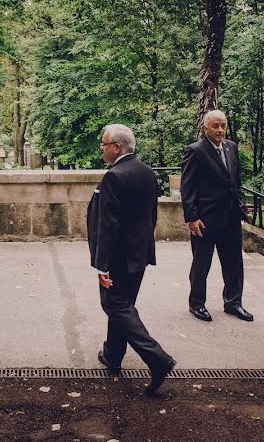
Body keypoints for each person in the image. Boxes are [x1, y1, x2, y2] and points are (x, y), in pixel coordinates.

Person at [88, 124, 176, 395]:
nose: (102, 148)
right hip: (138, 254)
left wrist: (102, 265)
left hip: (118, 257)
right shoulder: (146, 172)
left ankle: (157, 358)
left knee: (115, 306)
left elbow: (108, 225)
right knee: (124, 305)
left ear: (117, 147)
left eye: (104, 144)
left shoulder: (115, 176)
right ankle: (113, 355)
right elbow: (151, 216)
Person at [180, 110, 253, 322]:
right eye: (215, 126)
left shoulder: (231, 147)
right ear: (205, 129)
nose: (220, 130)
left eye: (223, 125)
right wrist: (192, 218)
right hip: (205, 219)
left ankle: (233, 302)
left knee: (233, 263)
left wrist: (240, 205)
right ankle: (197, 303)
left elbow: (235, 181)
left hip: (231, 217)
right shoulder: (195, 151)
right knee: (202, 263)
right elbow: (188, 187)